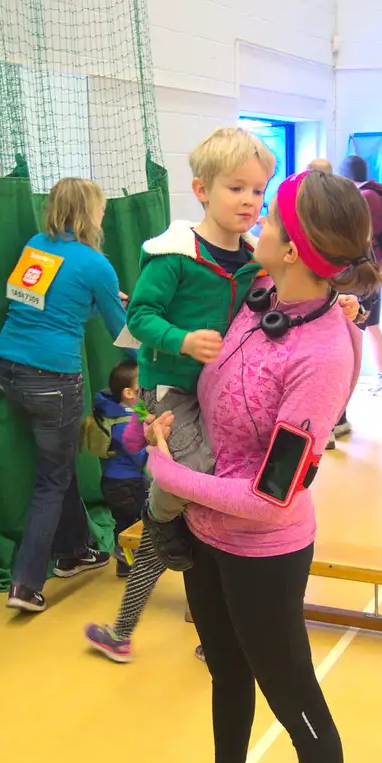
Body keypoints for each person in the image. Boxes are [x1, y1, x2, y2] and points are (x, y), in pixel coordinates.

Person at [142, 169, 372, 763]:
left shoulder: (322, 355)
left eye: (269, 216)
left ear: (295, 249)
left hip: (264, 549)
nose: (256, 223)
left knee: (293, 696)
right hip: (210, 535)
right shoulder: (259, 293)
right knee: (226, 671)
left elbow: (272, 494)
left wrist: (169, 472)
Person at [125, 127, 273, 573]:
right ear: (201, 190)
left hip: (222, 386)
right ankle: (157, 515)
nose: (249, 199)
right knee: (198, 466)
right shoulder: (174, 256)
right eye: (236, 187)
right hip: (172, 385)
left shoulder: (251, 258)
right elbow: (139, 316)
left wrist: (341, 303)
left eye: (257, 190)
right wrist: (182, 340)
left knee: (231, 465)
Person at [0, 177, 124, 611]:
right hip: (54, 379)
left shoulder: (35, 245)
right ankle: (26, 584)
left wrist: (92, 302)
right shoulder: (95, 264)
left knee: (59, 464)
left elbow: (33, 303)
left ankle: (75, 550)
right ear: (91, 212)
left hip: (10, 370)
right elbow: (121, 331)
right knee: (51, 480)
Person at [342, 154, 382, 398]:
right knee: (371, 325)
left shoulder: (364, 198)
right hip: (375, 267)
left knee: (362, 324)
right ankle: (380, 378)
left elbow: (361, 235)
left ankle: (373, 380)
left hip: (365, 269)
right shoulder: (377, 193)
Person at [95, 359, 148, 581]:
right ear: (128, 392)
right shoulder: (125, 422)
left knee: (124, 523)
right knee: (136, 522)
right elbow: (139, 456)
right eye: (141, 386)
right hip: (128, 484)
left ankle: (126, 565)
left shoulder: (117, 412)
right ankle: (128, 557)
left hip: (114, 481)